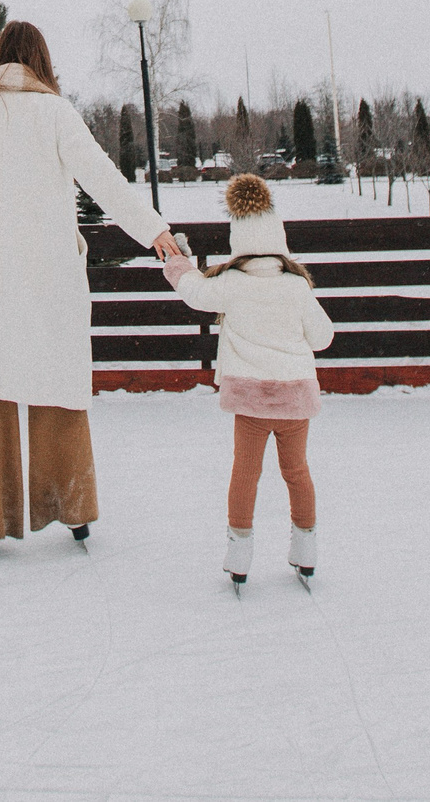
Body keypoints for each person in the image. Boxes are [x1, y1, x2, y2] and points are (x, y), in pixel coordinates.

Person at [0, 20, 176, 548]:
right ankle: (71, 508)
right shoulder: (55, 111)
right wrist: (155, 230)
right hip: (46, 279)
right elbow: (104, 178)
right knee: (56, 386)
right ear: (41, 61)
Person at [163, 173, 335, 585]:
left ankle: (239, 554)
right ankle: (306, 548)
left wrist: (178, 262)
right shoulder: (296, 287)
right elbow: (324, 337)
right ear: (280, 240)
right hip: (293, 401)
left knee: (245, 472)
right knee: (297, 472)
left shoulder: (230, 284)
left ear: (237, 240)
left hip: (251, 403)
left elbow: (193, 291)